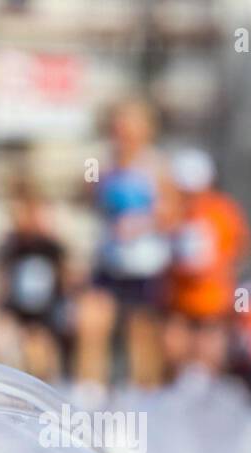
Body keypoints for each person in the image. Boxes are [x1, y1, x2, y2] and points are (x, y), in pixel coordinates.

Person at [74, 98, 171, 389]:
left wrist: (141, 224)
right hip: (109, 260)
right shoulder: (103, 164)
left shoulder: (156, 166)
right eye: (118, 127)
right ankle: (89, 390)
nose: (122, 134)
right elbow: (89, 201)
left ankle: (145, 392)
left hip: (144, 264)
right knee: (91, 321)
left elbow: (173, 214)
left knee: (141, 330)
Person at [160, 148, 250, 379]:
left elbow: (237, 250)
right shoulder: (175, 211)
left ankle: (205, 382)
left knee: (208, 341)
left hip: (212, 296)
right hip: (179, 295)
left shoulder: (222, 211)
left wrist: (217, 272)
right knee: (174, 340)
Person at [0, 179, 71, 382]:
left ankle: (43, 384)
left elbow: (66, 283)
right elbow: (2, 285)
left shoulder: (51, 248)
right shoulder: (12, 247)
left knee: (38, 345)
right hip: (18, 314)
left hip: (46, 315)